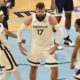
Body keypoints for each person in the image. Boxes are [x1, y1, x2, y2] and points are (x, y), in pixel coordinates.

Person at [17, 2, 63, 80]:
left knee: (55, 69)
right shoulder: (31, 18)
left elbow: (60, 32)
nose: (40, 13)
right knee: (33, 68)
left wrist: (55, 46)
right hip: (36, 46)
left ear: (44, 10)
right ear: (36, 10)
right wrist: (20, 46)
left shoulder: (50, 17)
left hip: (49, 46)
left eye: (42, 11)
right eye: (38, 11)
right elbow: (19, 31)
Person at [0, 10, 21, 80]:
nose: (4, 16)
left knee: (7, 72)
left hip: (6, 50)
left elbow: (8, 32)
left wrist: (18, 37)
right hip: (4, 51)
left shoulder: (0, 25)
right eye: (2, 15)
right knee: (15, 68)